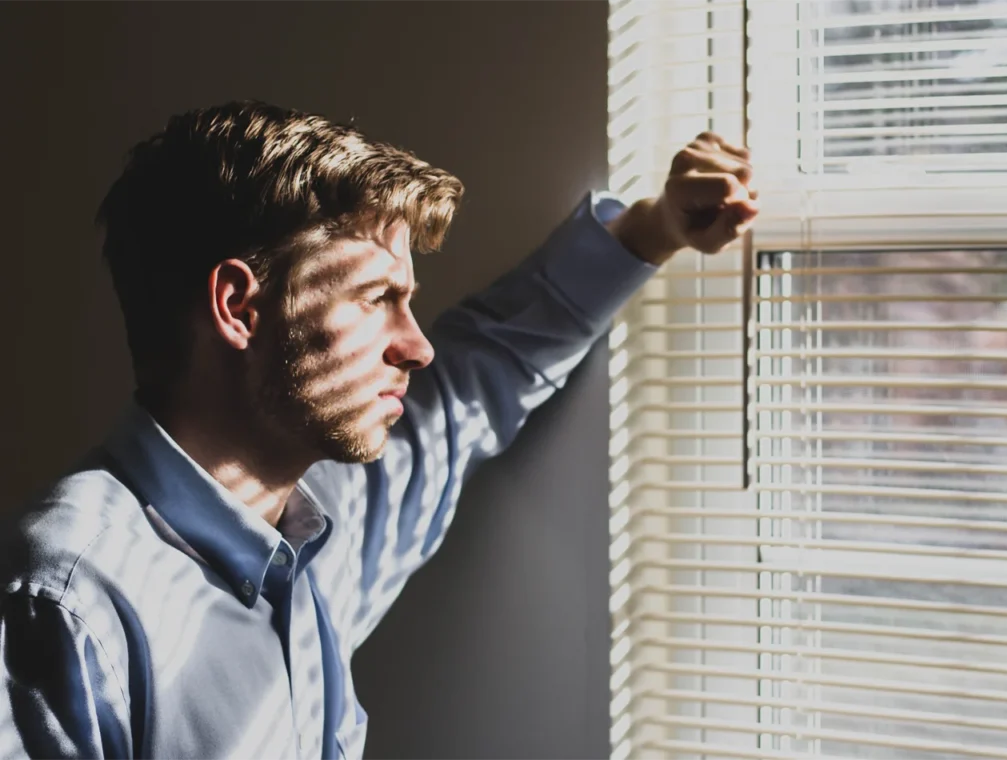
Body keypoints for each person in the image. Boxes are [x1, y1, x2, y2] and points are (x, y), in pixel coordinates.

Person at [0, 101, 757, 760]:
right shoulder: (64, 604)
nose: (417, 345)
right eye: (375, 299)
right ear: (239, 307)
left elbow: (474, 377)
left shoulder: (322, 524)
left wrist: (652, 228)